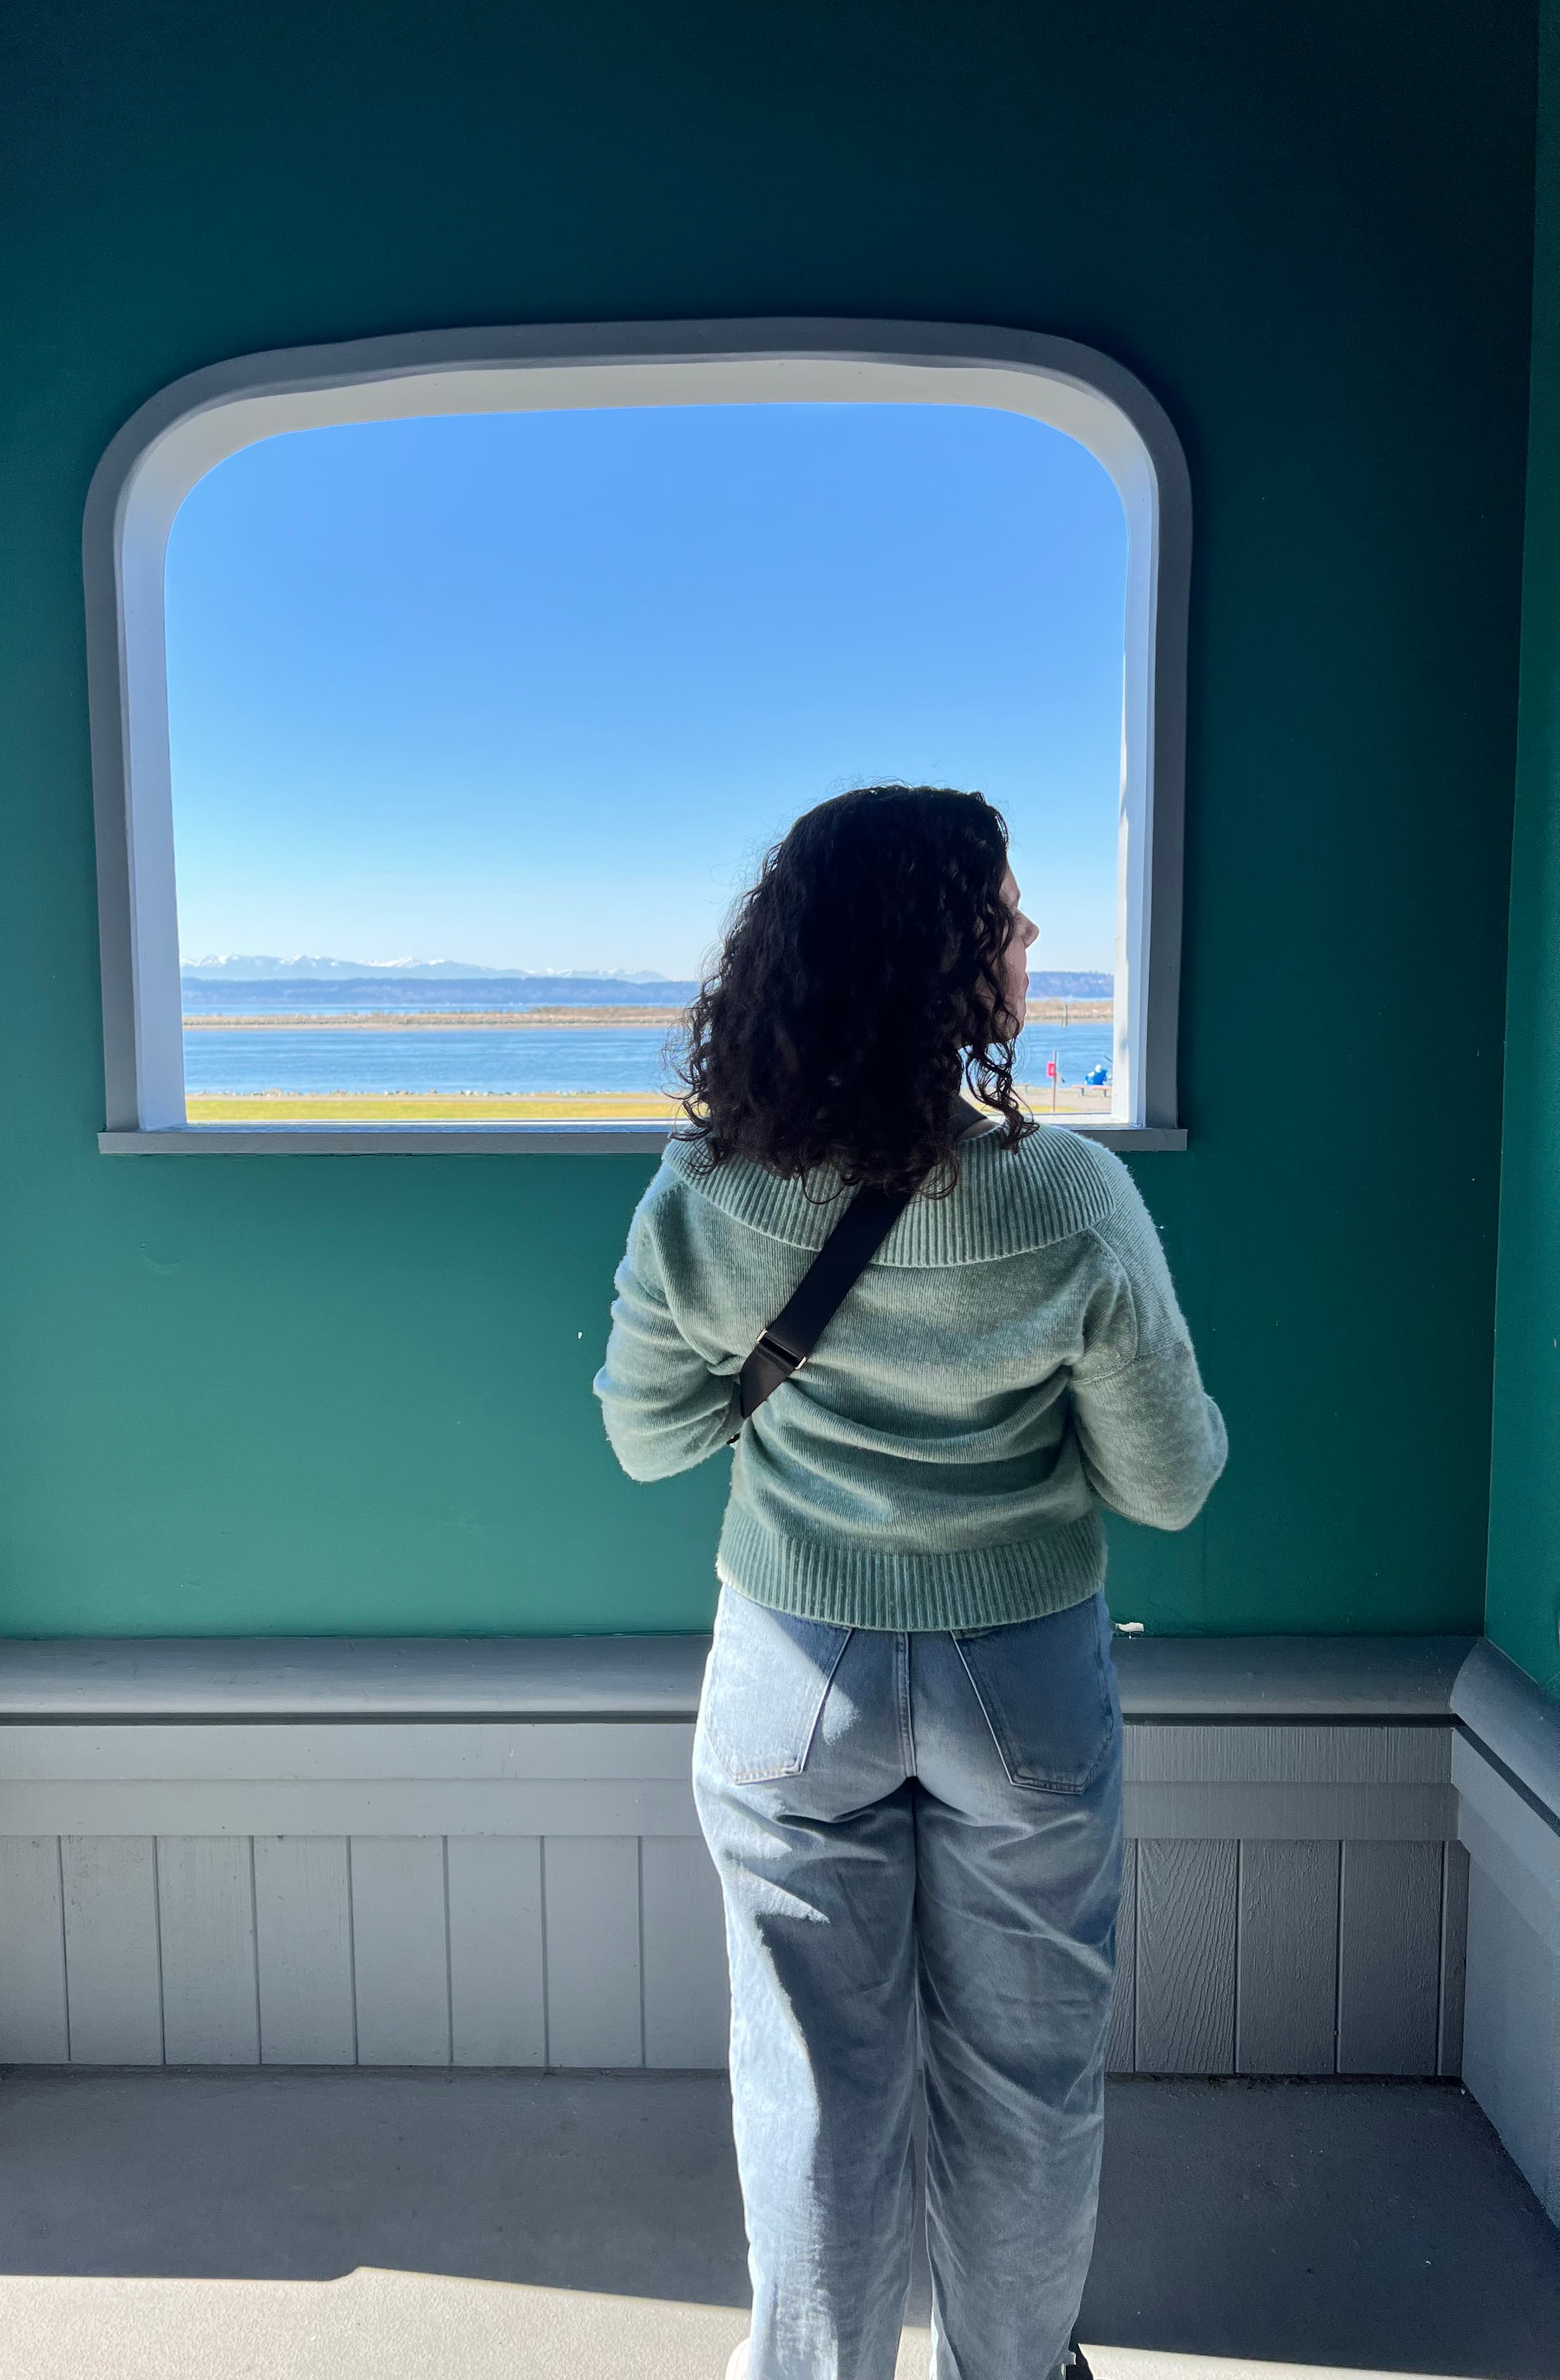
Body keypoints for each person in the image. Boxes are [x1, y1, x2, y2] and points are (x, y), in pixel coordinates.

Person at [594, 785, 1226, 2380]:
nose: (1027, 939)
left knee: (812, 2083)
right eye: (1003, 915)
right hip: (1023, 1680)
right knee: (1027, 2084)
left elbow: (650, 1443)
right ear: (937, 962)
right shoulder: (1066, 1197)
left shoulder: (706, 1195)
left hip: (790, 1673)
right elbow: (1169, 1481)